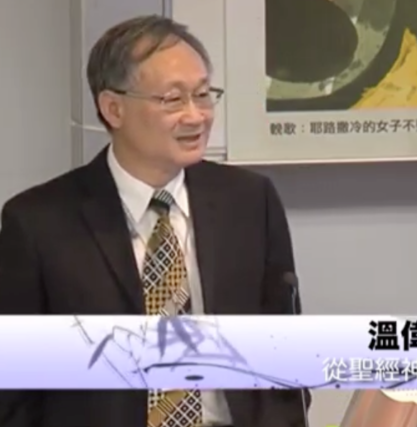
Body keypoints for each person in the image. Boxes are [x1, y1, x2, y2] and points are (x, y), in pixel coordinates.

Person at [0, 14, 310, 427]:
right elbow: (14, 386)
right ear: (113, 108)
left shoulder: (249, 201)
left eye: (203, 95)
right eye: (173, 99)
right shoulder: (38, 223)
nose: (196, 116)